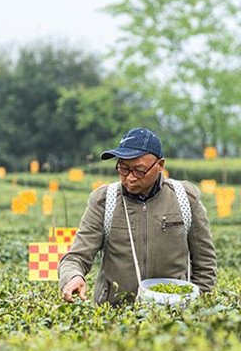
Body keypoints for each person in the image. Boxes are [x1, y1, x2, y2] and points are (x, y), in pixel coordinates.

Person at [59, 128, 217, 304]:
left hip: (173, 312)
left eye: (139, 170)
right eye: (123, 169)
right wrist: (73, 277)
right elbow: (76, 257)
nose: (130, 178)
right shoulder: (103, 201)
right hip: (114, 314)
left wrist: (198, 303)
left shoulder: (185, 198)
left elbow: (205, 262)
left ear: (160, 166)